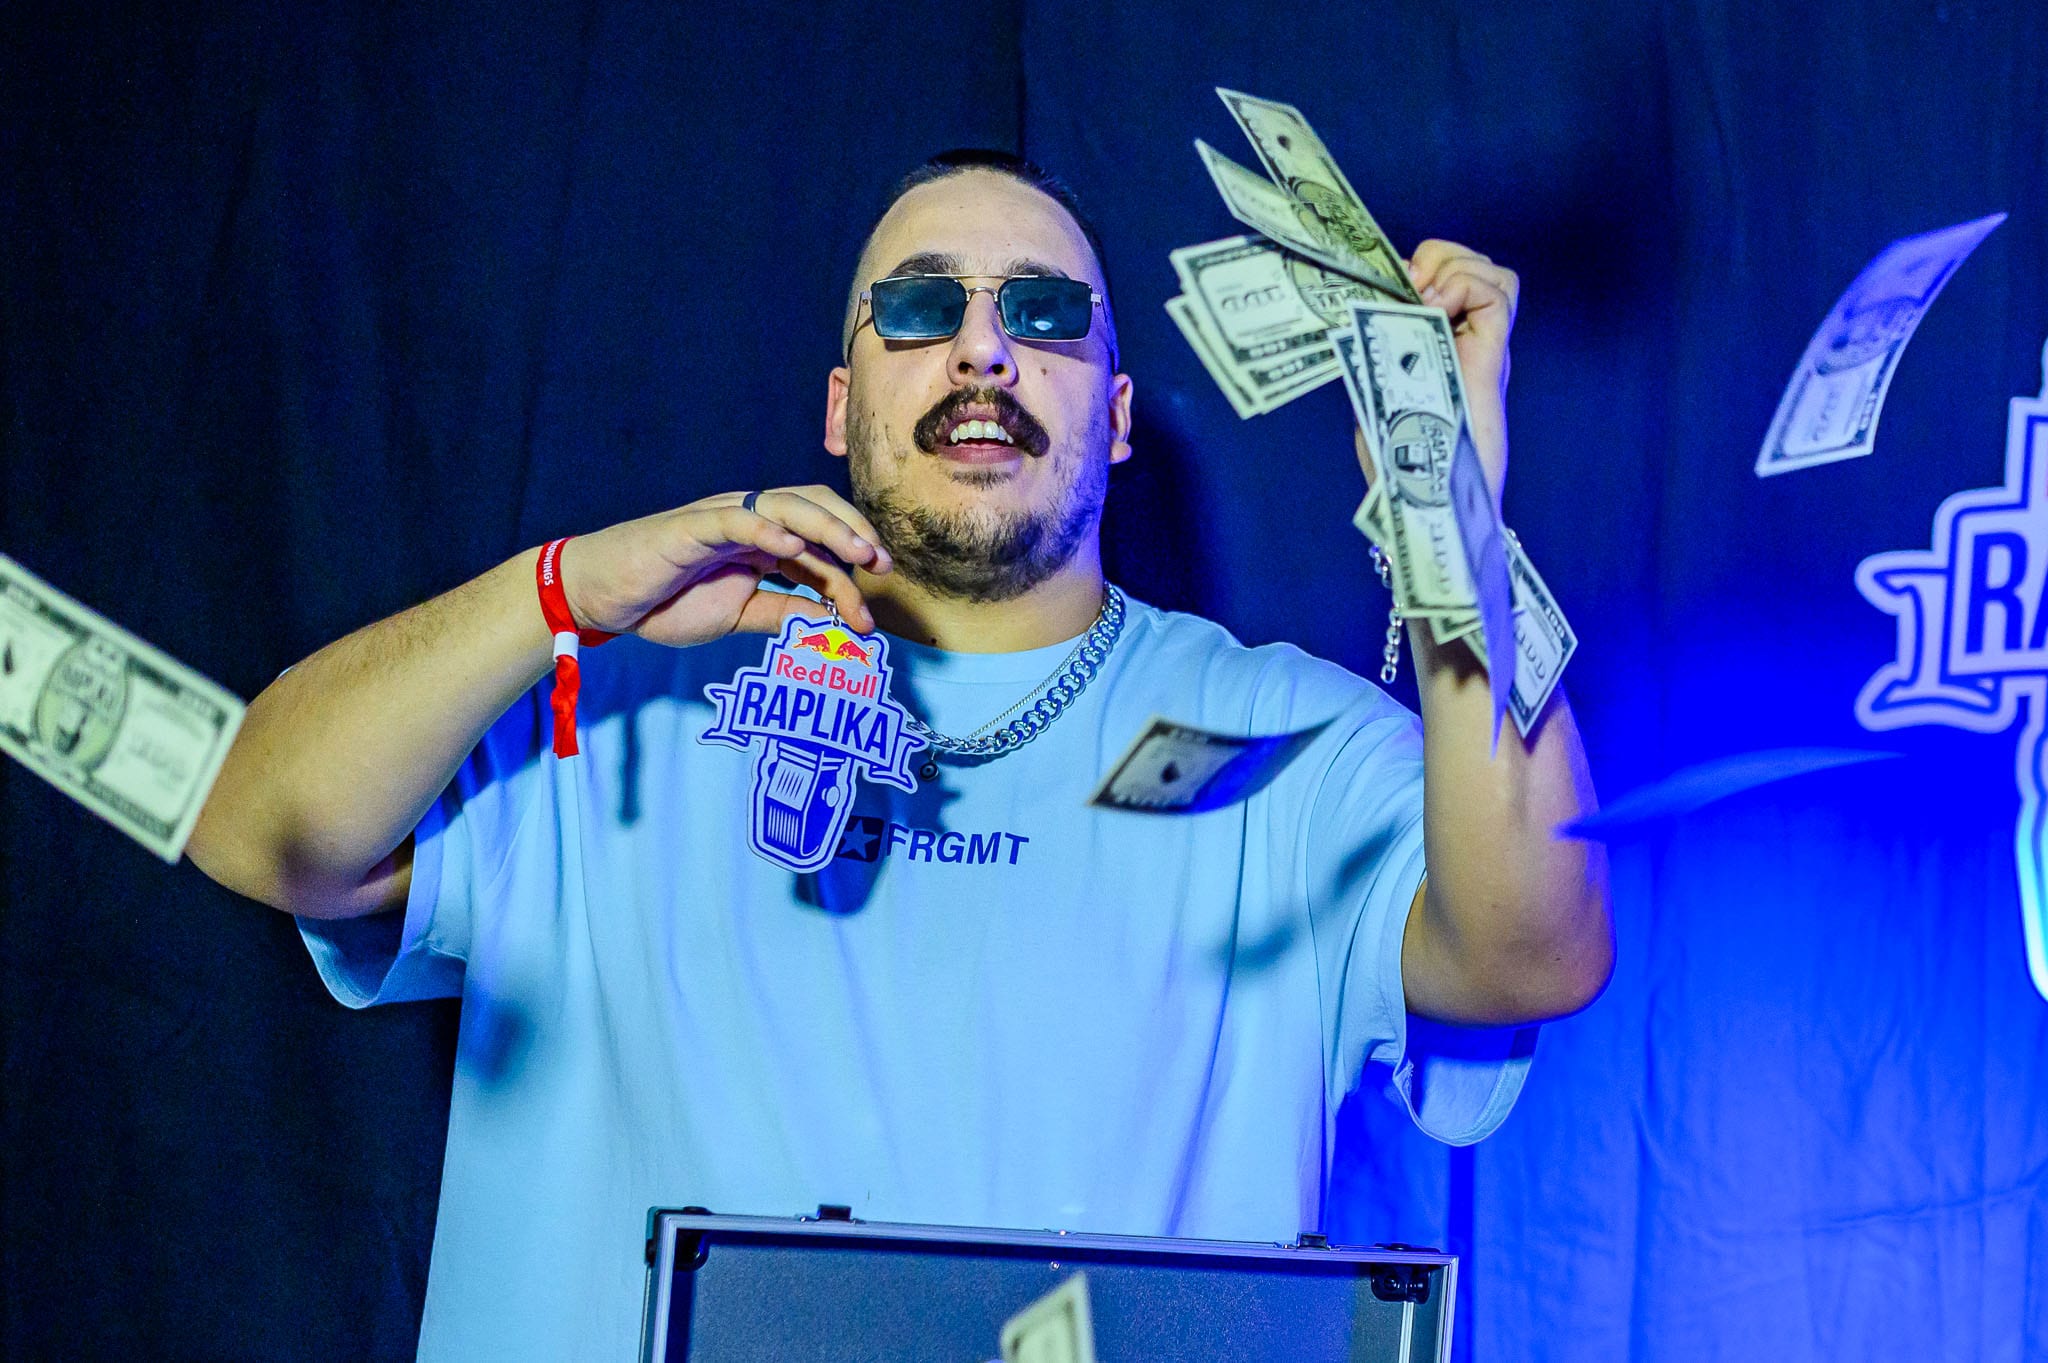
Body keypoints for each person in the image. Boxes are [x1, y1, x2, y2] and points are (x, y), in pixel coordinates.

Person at [188, 149, 1610, 1361]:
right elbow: (250, 824)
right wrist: (553, 594)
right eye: (922, 308)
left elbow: (1532, 952)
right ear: (839, 406)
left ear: (1119, 419)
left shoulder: (1279, 742)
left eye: (1045, 314)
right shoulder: (604, 711)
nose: (983, 350)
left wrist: (1454, 521)